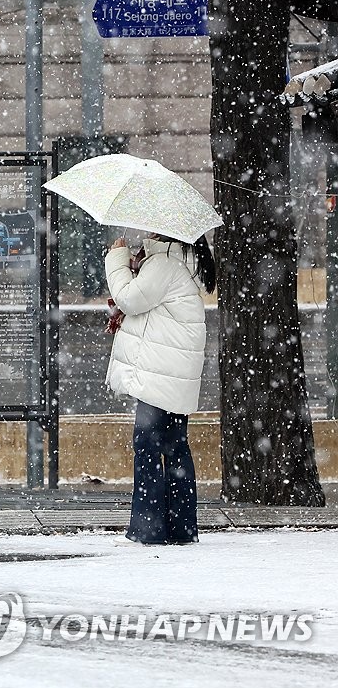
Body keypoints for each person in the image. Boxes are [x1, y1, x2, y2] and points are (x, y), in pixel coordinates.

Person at [105, 232, 216, 545]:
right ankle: (181, 528)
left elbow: (129, 297)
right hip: (173, 373)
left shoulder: (165, 264)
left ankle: (149, 528)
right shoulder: (176, 263)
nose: (147, 231)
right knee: (174, 446)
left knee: (147, 445)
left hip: (161, 374)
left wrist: (116, 258)